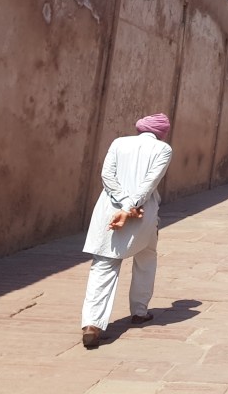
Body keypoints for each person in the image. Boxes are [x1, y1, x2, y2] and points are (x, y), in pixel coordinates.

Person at [81, 113, 173, 349]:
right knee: (146, 258)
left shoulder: (118, 143)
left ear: (140, 128)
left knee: (103, 265)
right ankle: (140, 311)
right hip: (142, 214)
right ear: (162, 133)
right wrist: (130, 206)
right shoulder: (163, 149)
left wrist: (123, 204)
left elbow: (106, 176)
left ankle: (92, 324)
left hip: (110, 211)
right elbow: (150, 182)